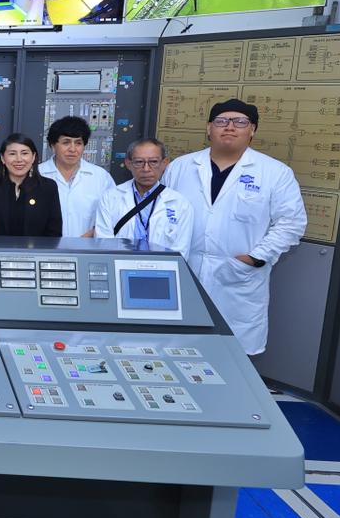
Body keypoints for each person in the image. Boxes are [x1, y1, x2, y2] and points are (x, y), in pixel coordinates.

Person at [162, 99, 307, 356]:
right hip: (184, 272)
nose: (229, 127)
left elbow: (291, 223)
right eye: (221, 121)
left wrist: (255, 258)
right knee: (178, 352)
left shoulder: (275, 173)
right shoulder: (180, 167)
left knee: (231, 357)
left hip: (238, 278)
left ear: (252, 130)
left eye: (240, 122)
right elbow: (161, 215)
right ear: (209, 128)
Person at [95, 138, 195, 258]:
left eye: (153, 162)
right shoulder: (110, 198)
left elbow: (180, 252)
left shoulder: (180, 204)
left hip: (161, 268)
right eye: (139, 162)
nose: (146, 169)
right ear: (128, 164)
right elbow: (104, 243)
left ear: (165, 163)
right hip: (120, 265)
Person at [39, 115, 115, 237]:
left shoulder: (101, 177)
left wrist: (90, 236)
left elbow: (113, 215)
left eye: (78, 143)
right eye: (66, 142)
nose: (72, 149)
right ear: (52, 145)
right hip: (46, 247)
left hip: (89, 246)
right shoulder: (37, 174)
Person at [0, 133, 63, 236]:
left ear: (33, 157)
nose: (19, 159)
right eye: (12, 154)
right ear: (2, 158)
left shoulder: (48, 187)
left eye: (24, 153)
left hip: (37, 247)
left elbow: (54, 232)